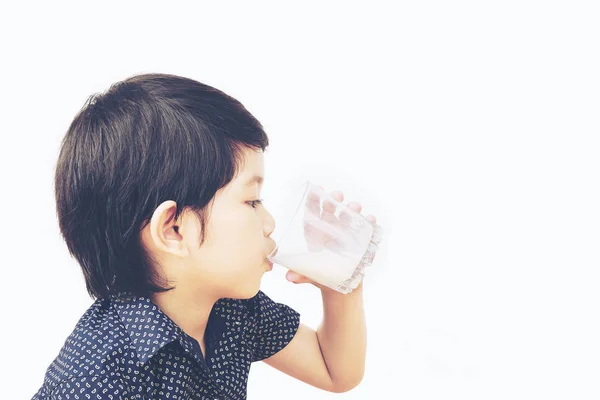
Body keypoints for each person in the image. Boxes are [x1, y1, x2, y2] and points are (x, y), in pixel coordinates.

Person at [31, 73, 376, 399]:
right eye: (252, 201)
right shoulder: (95, 380)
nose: (269, 223)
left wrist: (339, 279)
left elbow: (335, 371)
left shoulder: (232, 309)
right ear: (174, 230)